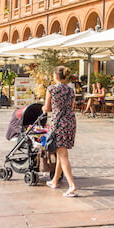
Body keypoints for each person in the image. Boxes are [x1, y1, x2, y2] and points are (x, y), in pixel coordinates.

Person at [43, 66, 78, 197]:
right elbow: (70, 106)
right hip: (70, 121)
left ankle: (71, 185)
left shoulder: (51, 89)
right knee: (61, 151)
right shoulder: (71, 90)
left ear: (56, 77)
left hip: (58, 123)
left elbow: (47, 108)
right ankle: (54, 181)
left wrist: (43, 107)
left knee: (63, 155)